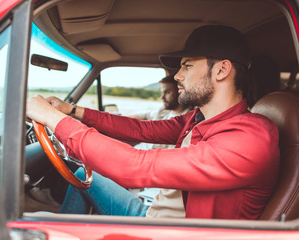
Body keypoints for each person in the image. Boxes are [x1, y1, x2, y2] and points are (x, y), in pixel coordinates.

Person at [26, 25, 279, 220]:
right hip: (155, 214)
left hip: (167, 231)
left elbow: (136, 166)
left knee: (37, 223)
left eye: (187, 66)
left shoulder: (249, 139)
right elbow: (140, 129)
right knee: (81, 178)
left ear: (221, 70)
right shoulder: (199, 118)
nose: (177, 76)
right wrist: (72, 111)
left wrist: (52, 119)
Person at [132, 74, 192, 150]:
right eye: (162, 92)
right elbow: (143, 115)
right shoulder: (164, 110)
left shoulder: (188, 119)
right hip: (141, 148)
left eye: (167, 92)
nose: (162, 97)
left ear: (179, 91)